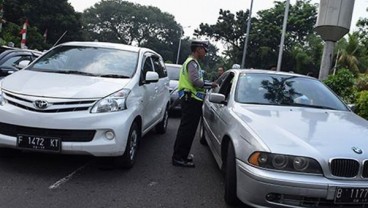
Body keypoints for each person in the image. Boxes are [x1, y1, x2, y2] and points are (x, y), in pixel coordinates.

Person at [172, 40, 217, 168]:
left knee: (187, 130)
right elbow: (195, 82)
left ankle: (181, 155)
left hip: (190, 100)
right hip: (190, 100)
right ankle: (179, 158)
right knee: (187, 130)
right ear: (198, 49)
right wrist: (210, 84)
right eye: (205, 50)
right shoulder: (192, 63)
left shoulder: (192, 62)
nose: (205, 53)